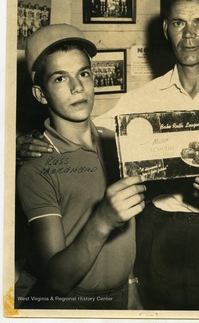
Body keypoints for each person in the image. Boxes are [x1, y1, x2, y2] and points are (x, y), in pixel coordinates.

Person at [17, 0, 199, 311]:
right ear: (167, 29)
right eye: (179, 23)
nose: (189, 35)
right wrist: (21, 140)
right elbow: (83, 124)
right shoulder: (142, 99)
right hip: (157, 237)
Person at [15, 24, 146, 310]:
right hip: (74, 305)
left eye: (83, 73)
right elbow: (57, 279)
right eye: (60, 78)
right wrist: (102, 220)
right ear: (40, 94)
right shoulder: (35, 167)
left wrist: (131, 284)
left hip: (121, 296)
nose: (78, 87)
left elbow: (128, 225)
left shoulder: (116, 142)